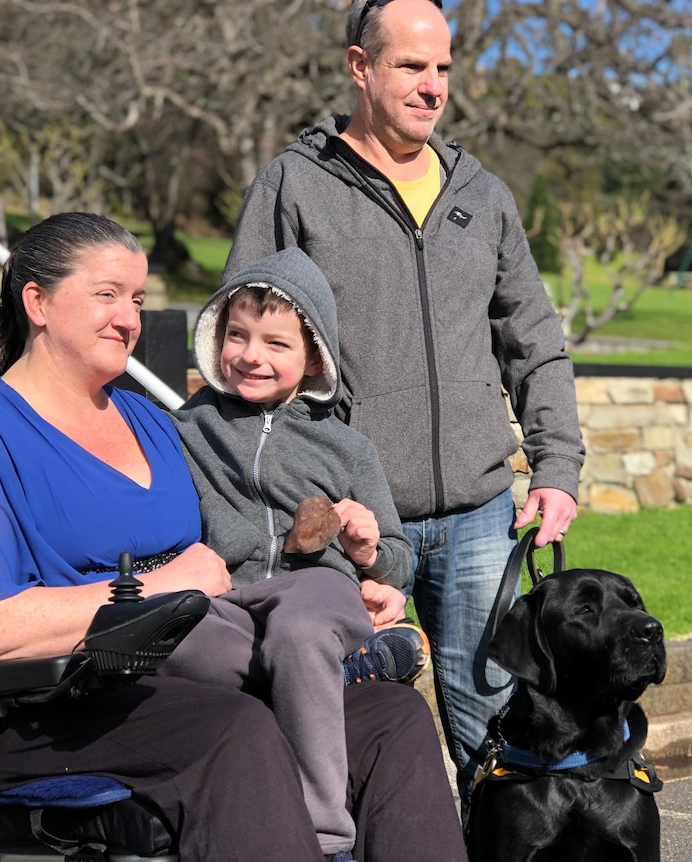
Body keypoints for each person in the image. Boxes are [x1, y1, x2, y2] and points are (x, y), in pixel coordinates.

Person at [0, 212, 468, 862]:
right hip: (36, 708)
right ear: (39, 302)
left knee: (391, 720)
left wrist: (357, 581)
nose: (129, 317)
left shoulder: (151, 423)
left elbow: (246, 543)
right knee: (238, 729)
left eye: (137, 299)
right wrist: (154, 590)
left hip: (172, 674)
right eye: (107, 294)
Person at [223, 0, 586, 817]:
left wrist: (556, 467)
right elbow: (241, 347)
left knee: (496, 739)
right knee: (344, 732)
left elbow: (534, 338)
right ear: (360, 67)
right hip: (349, 521)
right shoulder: (294, 184)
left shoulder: (481, 193)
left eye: (444, 69)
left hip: (479, 516)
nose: (432, 88)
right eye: (411, 67)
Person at [167, 246, 429, 860]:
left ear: (314, 357)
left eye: (276, 344)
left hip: (317, 591)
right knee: (180, 637)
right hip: (229, 597)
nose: (251, 355)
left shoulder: (346, 448)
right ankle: (344, 673)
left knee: (298, 632)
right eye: (237, 335)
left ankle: (321, 830)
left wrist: (368, 549)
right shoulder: (187, 428)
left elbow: (397, 561)